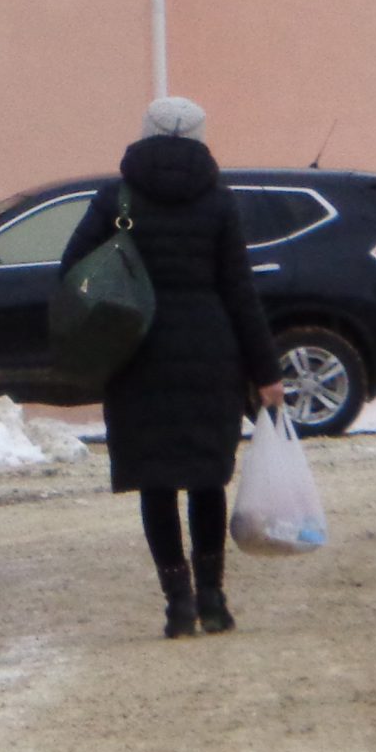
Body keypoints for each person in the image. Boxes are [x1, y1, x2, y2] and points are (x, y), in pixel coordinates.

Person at [61, 96, 287, 639]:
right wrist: (267, 372)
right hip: (210, 352)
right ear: (201, 138)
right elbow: (240, 291)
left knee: (156, 482)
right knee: (207, 479)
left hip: (136, 351)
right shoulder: (218, 202)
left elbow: (73, 270)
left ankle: (177, 605)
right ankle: (214, 600)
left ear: (144, 133)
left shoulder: (116, 197)